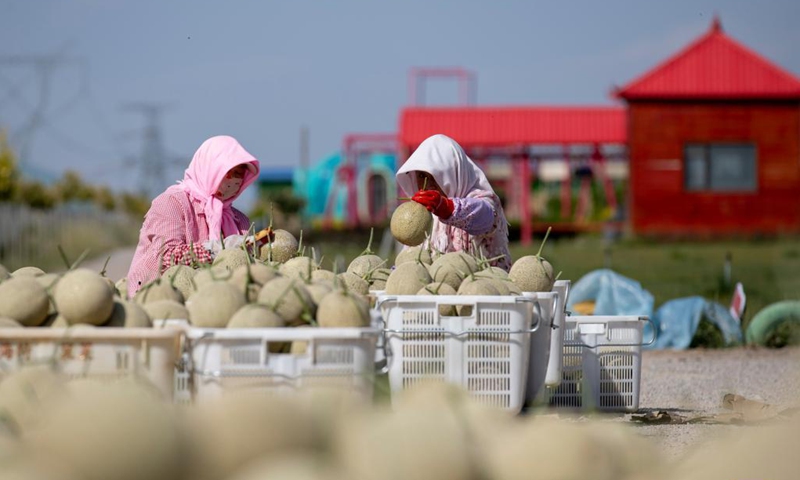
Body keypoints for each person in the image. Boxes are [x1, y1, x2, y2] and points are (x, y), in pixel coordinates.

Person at [126, 135, 261, 298]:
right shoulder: (172, 203)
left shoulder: (240, 220)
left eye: (239, 174)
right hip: (157, 300)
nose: (234, 181)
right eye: (228, 172)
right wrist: (216, 249)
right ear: (209, 168)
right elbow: (167, 258)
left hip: (213, 304)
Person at [395, 134, 511, 270]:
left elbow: (484, 216)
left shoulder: (483, 200)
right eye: (421, 176)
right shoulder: (420, 216)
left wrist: (446, 208)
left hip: (485, 287)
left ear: (453, 172)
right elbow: (409, 259)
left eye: (436, 175)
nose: (428, 183)